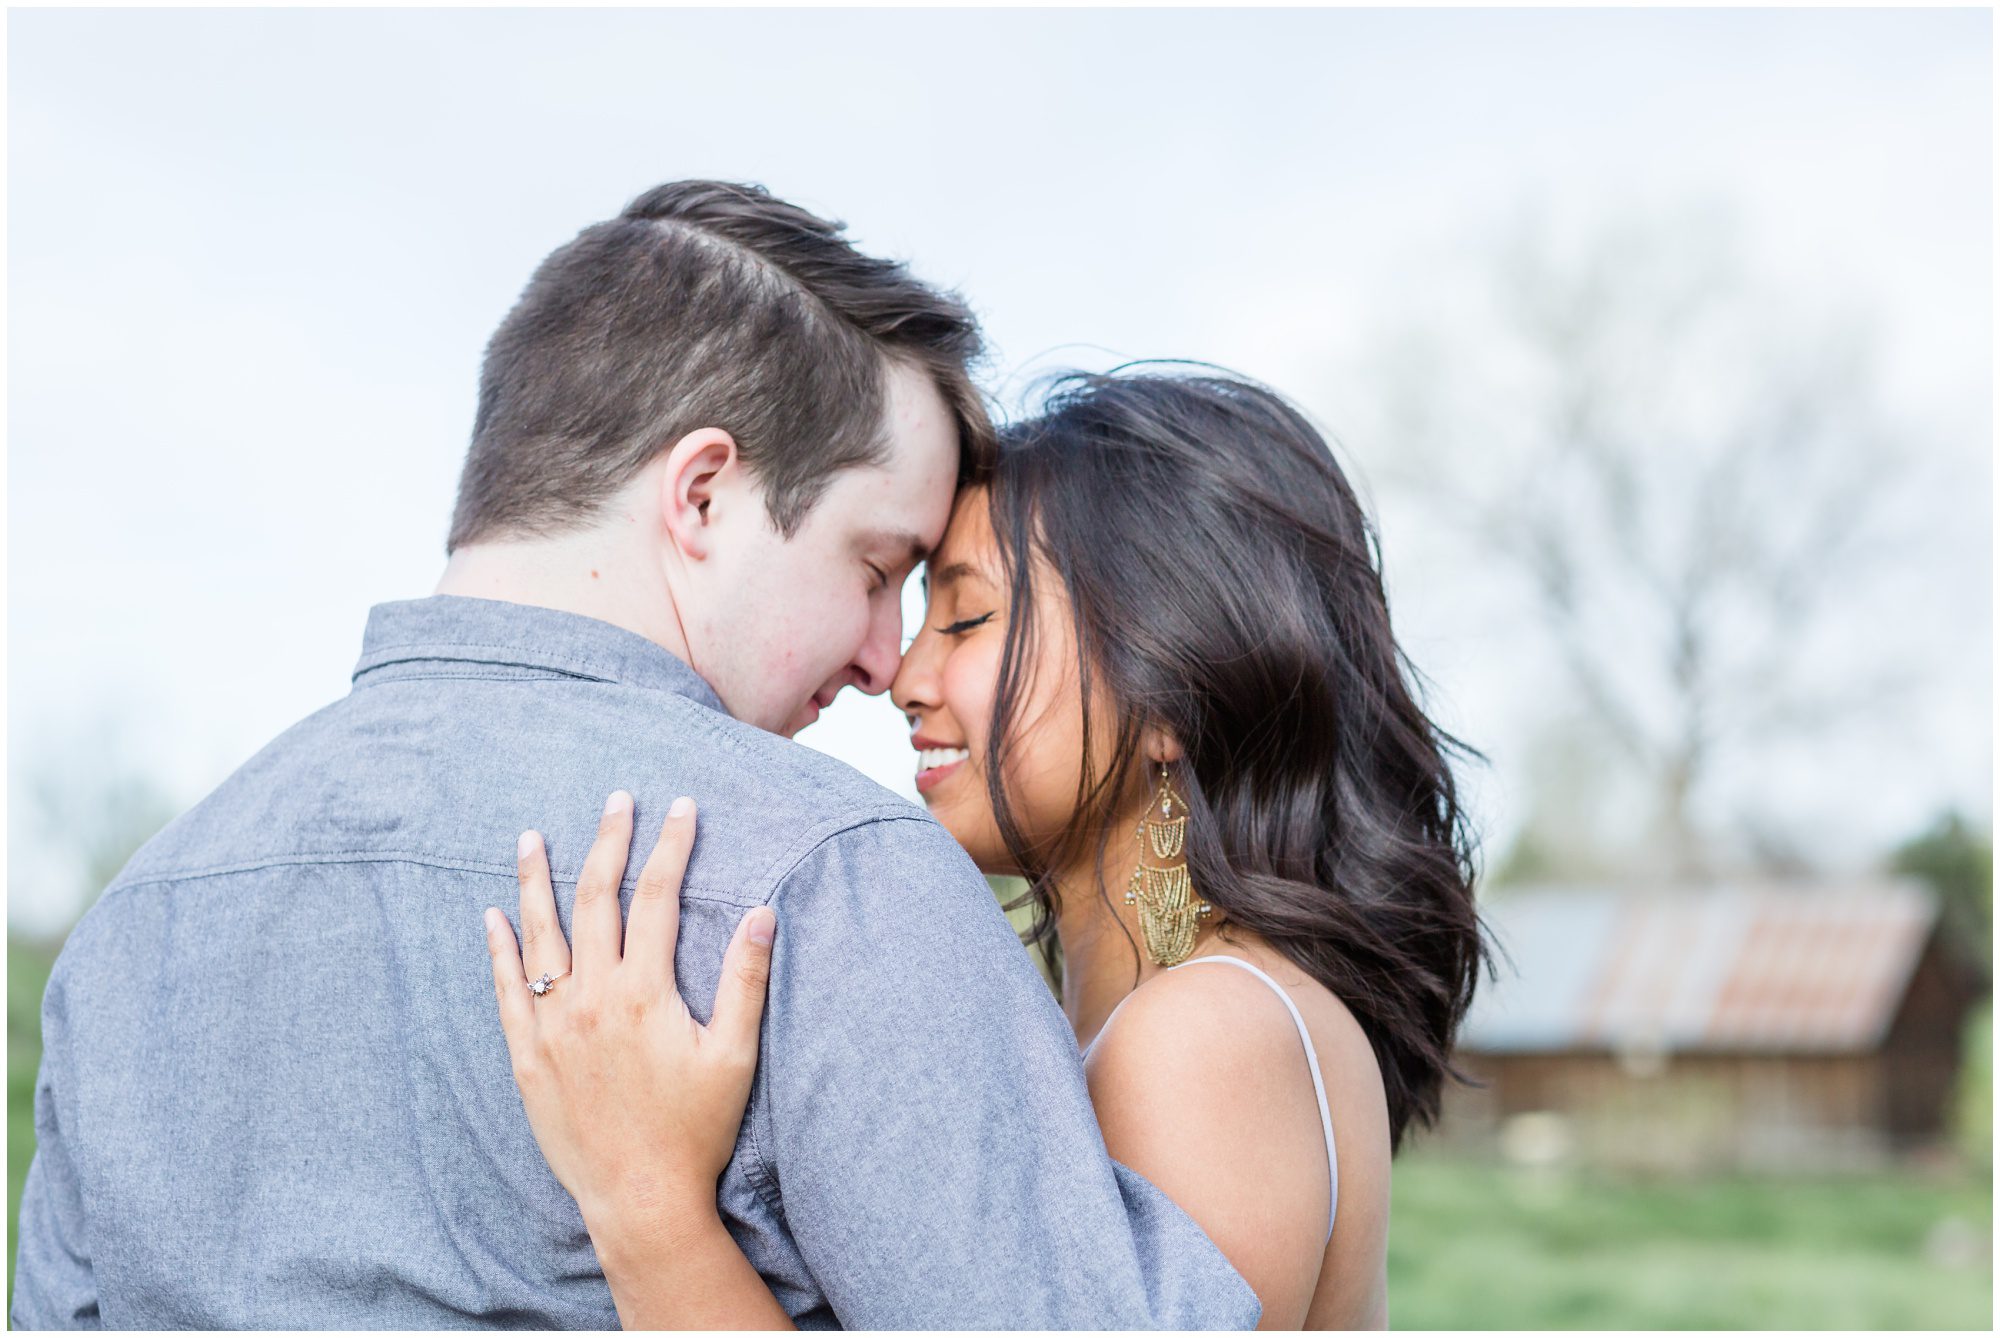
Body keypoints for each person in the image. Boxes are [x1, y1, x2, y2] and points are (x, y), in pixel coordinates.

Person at [9, 184, 1262, 1329]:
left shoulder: (133, 926)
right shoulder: (833, 884)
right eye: (875, 571)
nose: (887, 659)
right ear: (702, 493)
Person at [487, 368, 1498, 1329]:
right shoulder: (1199, 1008)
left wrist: (647, 1202)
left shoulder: (1198, 1033)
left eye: (966, 618)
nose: (903, 675)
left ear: (1171, 687)